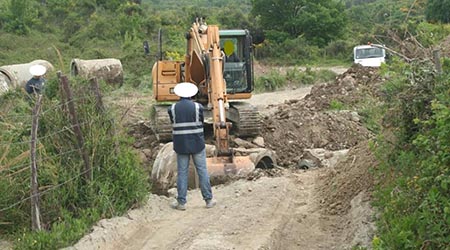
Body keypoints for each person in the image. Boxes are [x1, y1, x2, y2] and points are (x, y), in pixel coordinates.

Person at [168, 82, 215, 210]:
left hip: (181, 145)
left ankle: (181, 203)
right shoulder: (198, 107)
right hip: (197, 144)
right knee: (202, 171)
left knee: (182, 173)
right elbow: (201, 121)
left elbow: (174, 122)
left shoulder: (172, 108)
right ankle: (208, 200)